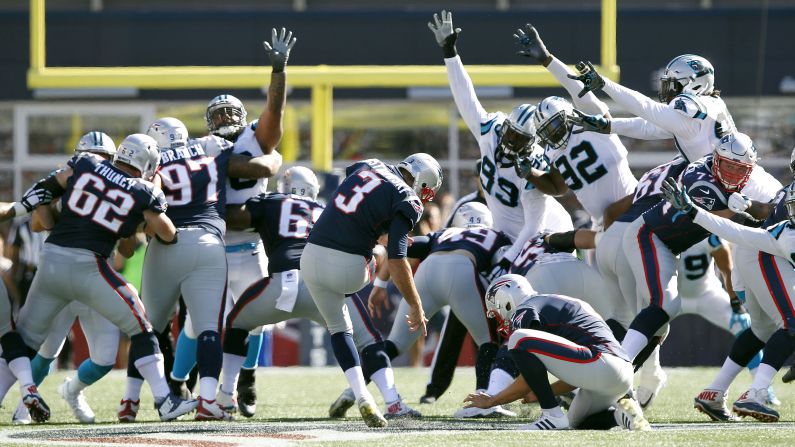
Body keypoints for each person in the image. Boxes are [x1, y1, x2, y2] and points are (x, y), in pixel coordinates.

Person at [0, 134, 197, 422]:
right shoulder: (143, 189)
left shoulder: (85, 163)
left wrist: (23, 206)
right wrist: (155, 197)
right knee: (141, 325)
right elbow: (168, 234)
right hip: (89, 266)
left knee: (26, 341)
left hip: (52, 261)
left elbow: (47, 194)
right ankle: (164, 401)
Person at [218, 166, 420, 419]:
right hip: (328, 282)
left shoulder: (271, 202)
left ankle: (226, 396)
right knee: (369, 340)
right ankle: (392, 403)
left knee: (237, 321)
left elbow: (234, 218)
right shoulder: (326, 209)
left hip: (284, 283)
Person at [120, 117, 279, 422]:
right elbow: (256, 168)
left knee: (146, 328)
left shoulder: (153, 160)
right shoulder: (209, 147)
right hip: (207, 242)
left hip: (166, 242)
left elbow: (139, 204)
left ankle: (129, 400)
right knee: (208, 328)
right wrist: (274, 158)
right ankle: (208, 401)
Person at [169, 28, 291, 417]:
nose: (225, 117)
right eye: (218, 113)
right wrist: (269, 163)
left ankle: (243, 383)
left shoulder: (257, 137)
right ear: (208, 121)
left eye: (231, 111)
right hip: (215, 247)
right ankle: (176, 382)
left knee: (254, 322)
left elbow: (275, 111)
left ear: (242, 117)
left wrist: (278, 72)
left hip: (251, 246)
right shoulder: (205, 146)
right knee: (196, 325)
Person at [428, 10, 573, 281]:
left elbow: (533, 227)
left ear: (532, 142)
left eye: (519, 139)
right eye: (510, 133)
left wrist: (507, 260)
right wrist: (450, 53)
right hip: (506, 235)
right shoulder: (491, 130)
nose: (510, 141)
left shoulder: (533, 166)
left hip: (543, 238)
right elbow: (466, 99)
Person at [301, 154, 442, 427]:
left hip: (309, 257)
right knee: (382, 252)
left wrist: (381, 230)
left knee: (339, 329)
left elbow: (356, 203)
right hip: (350, 270)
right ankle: (374, 397)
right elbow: (398, 259)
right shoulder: (407, 198)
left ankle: (363, 394)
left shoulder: (370, 165)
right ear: (424, 184)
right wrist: (415, 304)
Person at [10, 131, 124, 425]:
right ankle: (24, 408)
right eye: (93, 158)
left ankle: (72, 390)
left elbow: (129, 246)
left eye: (105, 160)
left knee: (105, 358)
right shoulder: (64, 182)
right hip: (61, 276)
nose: (99, 165)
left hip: (97, 277)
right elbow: (38, 223)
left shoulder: (122, 190)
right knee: (46, 351)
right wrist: (50, 203)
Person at [664, 178, 795, 423]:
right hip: (764, 256)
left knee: (761, 329)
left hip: (756, 258)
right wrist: (694, 211)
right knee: (791, 324)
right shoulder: (784, 233)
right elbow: (737, 232)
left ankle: (715, 391)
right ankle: (756, 394)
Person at [372, 202, 511, 418]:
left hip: (428, 272)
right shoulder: (496, 235)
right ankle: (482, 400)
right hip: (463, 270)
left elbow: (405, 245)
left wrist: (381, 280)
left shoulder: (445, 233)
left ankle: (354, 389)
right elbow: (504, 265)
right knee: (488, 341)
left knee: (395, 343)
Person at [464, 274, 649, 431]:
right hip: (618, 372)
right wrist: (544, 391)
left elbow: (525, 379)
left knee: (518, 338)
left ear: (505, 299)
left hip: (601, 362)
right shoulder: (553, 303)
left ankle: (551, 415)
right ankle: (623, 415)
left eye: (497, 313)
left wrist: (492, 401)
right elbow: (576, 373)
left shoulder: (527, 308)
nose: (500, 320)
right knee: (575, 422)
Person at [512, 24, 638, 230]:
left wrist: (547, 59)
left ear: (568, 115)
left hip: (634, 206)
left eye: (554, 124)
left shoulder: (592, 121)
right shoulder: (553, 151)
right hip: (601, 226)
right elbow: (557, 187)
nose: (553, 133)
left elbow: (576, 86)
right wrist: (530, 174)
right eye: (546, 131)